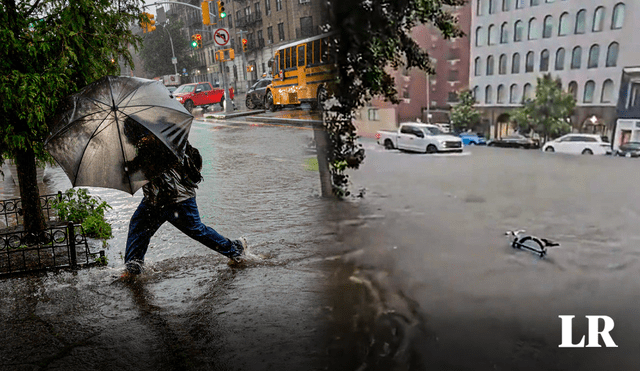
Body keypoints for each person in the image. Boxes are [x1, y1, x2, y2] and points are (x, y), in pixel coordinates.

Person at [122, 124, 247, 277]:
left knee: (197, 230)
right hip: (154, 199)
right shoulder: (149, 142)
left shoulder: (160, 140)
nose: (128, 138)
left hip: (177, 199)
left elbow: (152, 167)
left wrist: (131, 166)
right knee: (138, 227)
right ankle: (133, 269)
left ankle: (235, 249)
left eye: (129, 133)